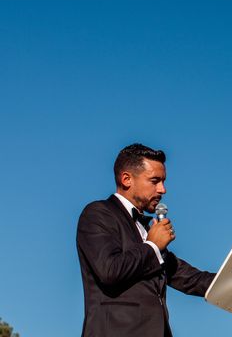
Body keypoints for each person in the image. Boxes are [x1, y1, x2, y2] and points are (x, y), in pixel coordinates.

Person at [76, 143, 216, 337]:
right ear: (126, 179)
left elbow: (189, 278)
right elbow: (109, 270)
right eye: (155, 181)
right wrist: (152, 246)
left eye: (164, 181)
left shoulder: (145, 229)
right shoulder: (98, 214)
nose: (163, 189)